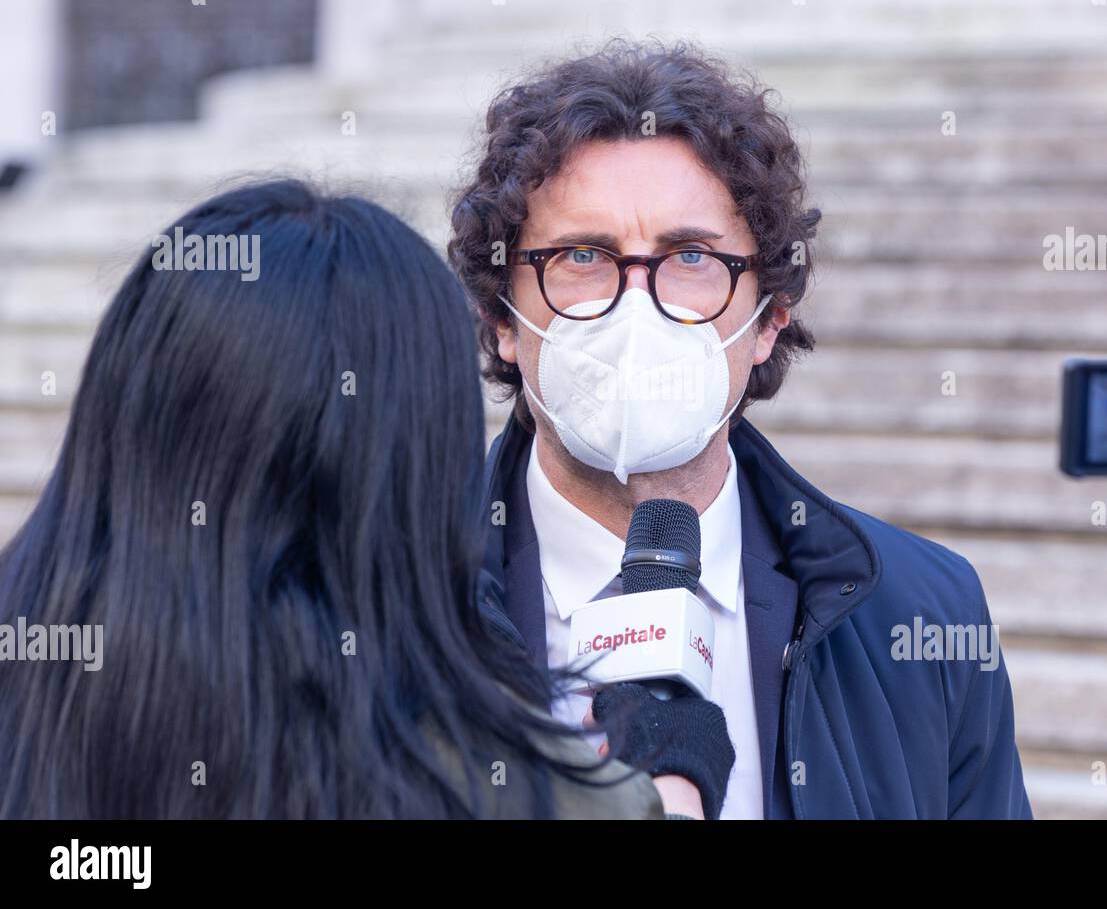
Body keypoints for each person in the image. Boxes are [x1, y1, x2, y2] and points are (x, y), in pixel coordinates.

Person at [0, 179, 731, 819]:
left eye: (689, 256)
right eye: (583, 256)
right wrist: (668, 781)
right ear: (423, 466)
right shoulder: (512, 787)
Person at [449, 38, 1033, 818]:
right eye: (583, 256)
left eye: (690, 258)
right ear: (503, 320)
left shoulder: (922, 611)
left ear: (767, 319)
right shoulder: (390, 601)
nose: (635, 307)